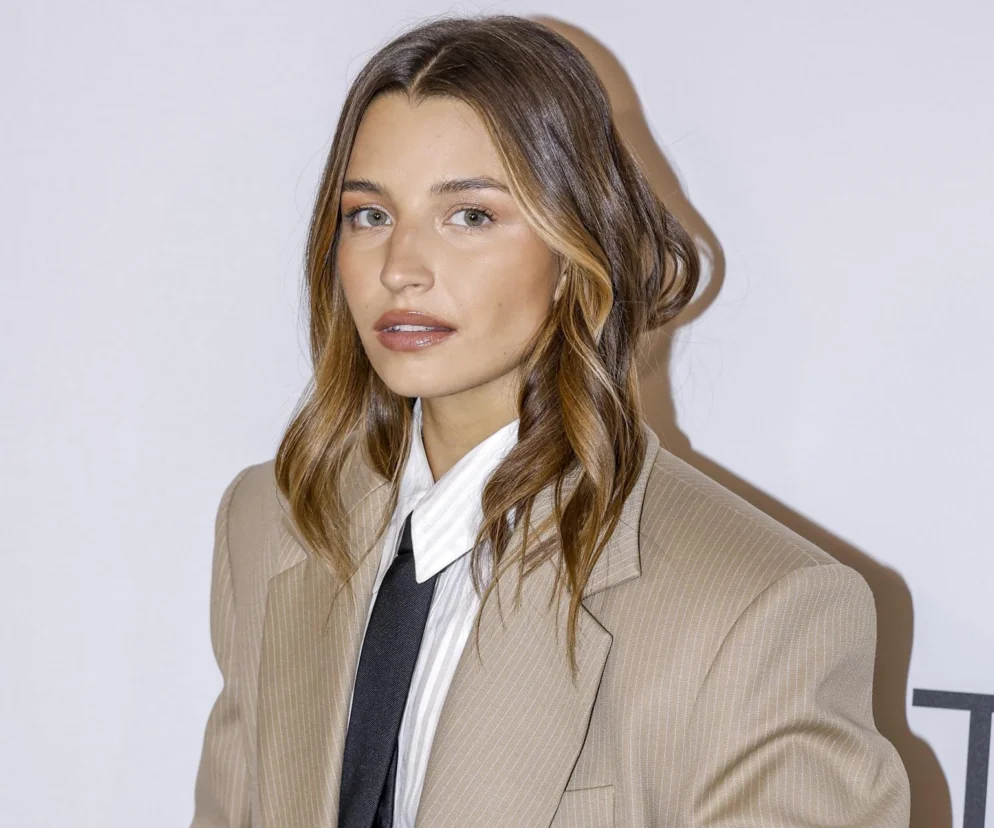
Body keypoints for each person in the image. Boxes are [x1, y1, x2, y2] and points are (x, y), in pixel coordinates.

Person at [189, 13, 911, 828]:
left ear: (574, 250)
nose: (400, 269)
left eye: (470, 216)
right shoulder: (269, 524)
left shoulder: (757, 610)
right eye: (369, 215)